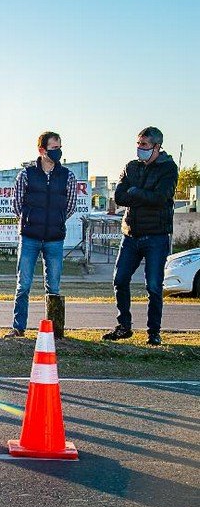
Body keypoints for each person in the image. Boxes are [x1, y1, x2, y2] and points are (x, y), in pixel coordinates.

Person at [104, 126, 179, 345]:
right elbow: (119, 196)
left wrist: (135, 193)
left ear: (156, 147)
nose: (140, 149)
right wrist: (140, 195)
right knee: (120, 280)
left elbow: (160, 198)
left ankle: (153, 331)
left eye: (144, 145)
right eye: (138, 144)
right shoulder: (131, 167)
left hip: (156, 236)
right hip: (131, 234)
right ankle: (123, 326)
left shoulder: (168, 169)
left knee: (154, 285)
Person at [5, 131, 79, 338]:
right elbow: (16, 204)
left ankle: (53, 331)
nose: (58, 152)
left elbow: (71, 205)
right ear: (42, 150)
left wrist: (57, 220)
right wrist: (30, 219)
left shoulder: (68, 176)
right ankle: (18, 327)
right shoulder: (26, 174)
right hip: (29, 237)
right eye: (54, 148)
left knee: (53, 286)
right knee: (24, 285)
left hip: (55, 239)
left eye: (60, 147)